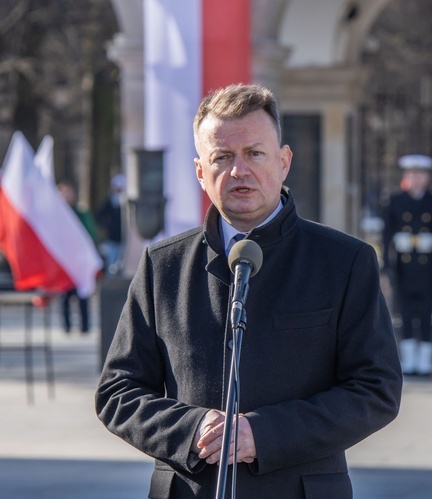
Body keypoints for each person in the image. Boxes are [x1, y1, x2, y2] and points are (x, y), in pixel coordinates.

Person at [95, 84, 402, 498]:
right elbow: (118, 391)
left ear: (283, 161)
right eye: (222, 157)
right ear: (201, 172)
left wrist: (263, 433)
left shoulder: (345, 262)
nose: (239, 170)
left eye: (254, 153)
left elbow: (375, 389)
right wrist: (191, 430)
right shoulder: (162, 266)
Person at [382, 154, 432, 376]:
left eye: (420, 174)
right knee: (406, 313)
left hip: (427, 267)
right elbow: (387, 236)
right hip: (404, 267)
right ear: (405, 177)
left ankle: (425, 361)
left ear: (427, 178)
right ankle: (409, 359)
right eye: (411, 174)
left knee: (426, 314)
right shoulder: (396, 201)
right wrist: (388, 263)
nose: (416, 178)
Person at [58, 180, 98, 333]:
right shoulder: (55, 215)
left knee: (83, 294)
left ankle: (85, 327)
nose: (67, 195)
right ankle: (66, 327)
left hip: (79, 262)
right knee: (65, 297)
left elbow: (91, 234)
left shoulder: (81, 213)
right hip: (64, 263)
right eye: (63, 192)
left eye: (69, 192)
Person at [96, 173, 125, 275]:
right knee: (111, 266)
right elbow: (100, 217)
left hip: (125, 240)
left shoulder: (126, 204)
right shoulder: (109, 202)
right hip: (112, 239)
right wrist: (109, 225)